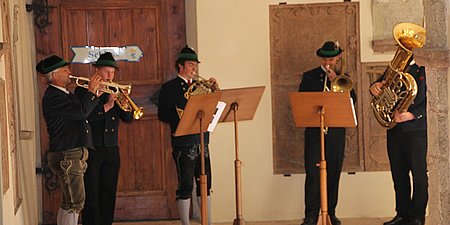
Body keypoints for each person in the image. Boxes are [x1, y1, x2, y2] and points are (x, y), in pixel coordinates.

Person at [157, 45, 218, 225]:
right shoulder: (170, 87)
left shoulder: (202, 86)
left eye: (195, 65)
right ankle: (185, 223)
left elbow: (212, 108)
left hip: (202, 140)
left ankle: (206, 221)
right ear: (180, 66)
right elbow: (163, 114)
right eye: (191, 65)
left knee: (206, 183)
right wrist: (181, 116)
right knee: (186, 184)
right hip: (183, 141)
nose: (194, 69)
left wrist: (215, 90)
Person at [37, 55, 101, 225]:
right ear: (55, 75)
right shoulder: (54, 96)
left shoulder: (63, 94)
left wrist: (95, 97)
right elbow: (81, 112)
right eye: (65, 70)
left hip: (71, 152)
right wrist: (91, 92)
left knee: (69, 203)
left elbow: (82, 115)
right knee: (76, 203)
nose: (70, 72)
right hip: (68, 153)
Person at [298, 41, 356, 225]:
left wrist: (334, 82)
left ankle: (330, 212)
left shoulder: (343, 78)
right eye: (324, 59)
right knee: (313, 173)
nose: (327, 63)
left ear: (338, 58)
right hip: (315, 132)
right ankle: (311, 214)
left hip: (336, 132)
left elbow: (351, 102)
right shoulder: (309, 77)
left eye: (331, 59)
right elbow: (301, 102)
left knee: (334, 171)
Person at [75, 52, 134, 225]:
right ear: (97, 71)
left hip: (111, 148)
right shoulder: (83, 90)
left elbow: (129, 119)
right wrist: (106, 105)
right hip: (92, 149)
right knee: (91, 193)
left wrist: (123, 101)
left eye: (112, 72)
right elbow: (84, 117)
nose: (110, 76)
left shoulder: (116, 91)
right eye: (106, 71)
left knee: (109, 192)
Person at [370, 57, 428, 225]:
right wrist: (374, 87)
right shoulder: (396, 67)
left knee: (419, 177)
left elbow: (436, 99)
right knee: (399, 175)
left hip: (417, 130)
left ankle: (417, 217)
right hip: (395, 129)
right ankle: (402, 214)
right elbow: (381, 83)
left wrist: (412, 114)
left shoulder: (426, 68)